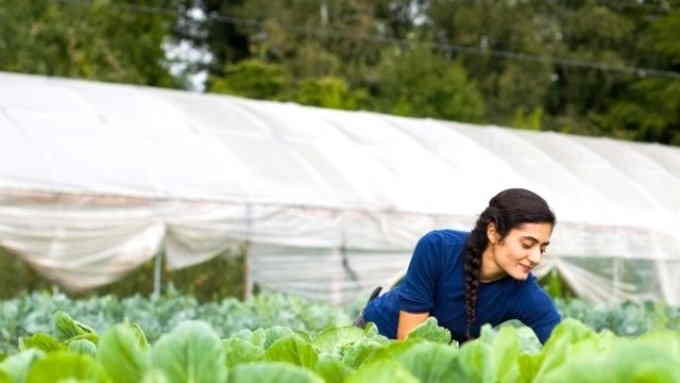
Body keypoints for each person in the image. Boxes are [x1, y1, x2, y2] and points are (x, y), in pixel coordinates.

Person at [356, 188, 561, 344]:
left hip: (435, 357)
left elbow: (566, 346)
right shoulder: (439, 247)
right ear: (494, 233)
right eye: (527, 244)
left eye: (542, 248)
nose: (536, 258)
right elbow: (409, 344)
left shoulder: (525, 293)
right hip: (375, 337)